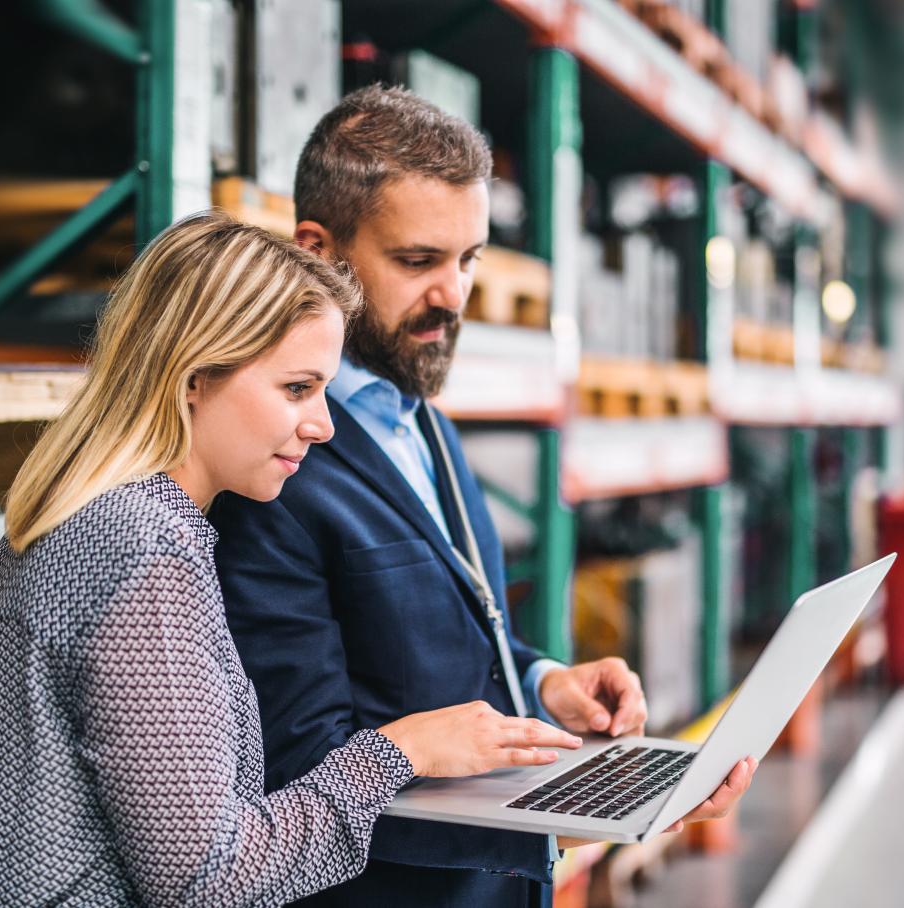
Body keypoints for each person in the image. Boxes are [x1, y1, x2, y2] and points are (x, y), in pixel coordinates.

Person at [0, 214, 583, 907]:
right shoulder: (147, 550)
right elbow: (210, 877)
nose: (323, 424)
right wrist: (398, 752)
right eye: (297, 388)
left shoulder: (51, 523)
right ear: (195, 376)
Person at [210, 87, 756, 908]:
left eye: (469, 260)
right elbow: (302, 774)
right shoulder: (274, 468)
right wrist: (571, 817)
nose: (455, 296)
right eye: (418, 261)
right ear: (319, 251)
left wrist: (541, 683)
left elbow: (442, 641)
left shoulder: (418, 416)